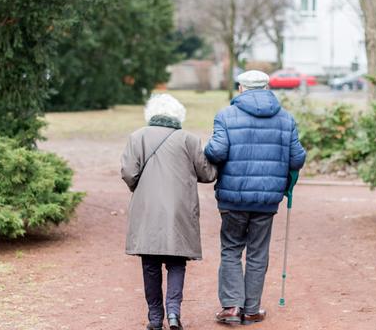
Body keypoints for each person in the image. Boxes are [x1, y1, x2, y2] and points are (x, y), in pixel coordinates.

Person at [204, 70, 306, 325]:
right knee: (258, 252)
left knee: (231, 248)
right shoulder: (286, 118)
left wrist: (207, 147)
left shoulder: (225, 116)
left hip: (232, 197)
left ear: (241, 88)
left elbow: (216, 152)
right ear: (266, 88)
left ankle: (231, 307)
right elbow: (297, 158)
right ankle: (251, 308)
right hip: (267, 199)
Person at [121, 94, 217, 330]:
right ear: (178, 115)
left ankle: (155, 319)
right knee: (176, 263)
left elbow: (128, 173)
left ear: (151, 113)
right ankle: (173, 315)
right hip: (180, 210)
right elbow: (208, 175)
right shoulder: (189, 140)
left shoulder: (137, 137)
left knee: (150, 264)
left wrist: (138, 188)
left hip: (147, 210)